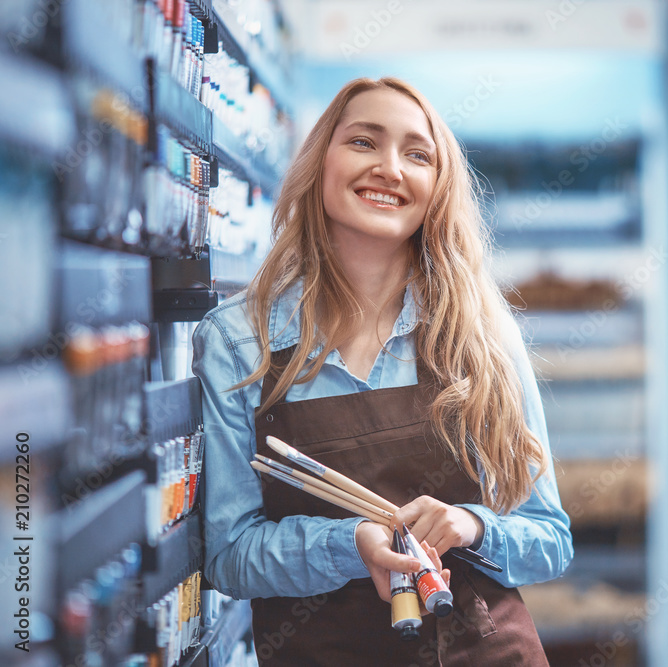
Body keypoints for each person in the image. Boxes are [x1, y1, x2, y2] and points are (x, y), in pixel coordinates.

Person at [191, 76, 573, 666]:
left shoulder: (481, 335)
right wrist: (351, 544)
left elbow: (549, 537)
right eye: (364, 143)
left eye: (417, 154)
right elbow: (229, 555)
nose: (390, 168)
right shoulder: (239, 342)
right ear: (320, 164)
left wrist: (470, 525)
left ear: (438, 187)